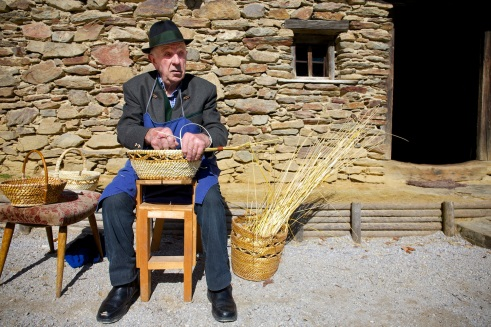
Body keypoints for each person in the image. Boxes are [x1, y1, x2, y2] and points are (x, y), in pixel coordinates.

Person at [96, 20, 237, 324]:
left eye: (181, 53)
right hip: (148, 169)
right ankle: (124, 283)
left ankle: (219, 287)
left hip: (194, 170)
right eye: (168, 54)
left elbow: (219, 130)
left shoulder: (203, 89)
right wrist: (147, 136)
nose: (177, 61)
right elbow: (125, 128)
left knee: (213, 204)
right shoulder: (137, 87)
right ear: (153, 59)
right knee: (114, 202)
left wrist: (203, 137)